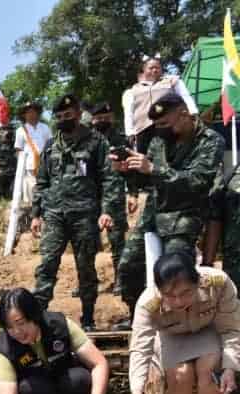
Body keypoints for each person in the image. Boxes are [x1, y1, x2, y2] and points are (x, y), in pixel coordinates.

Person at [116, 92, 225, 318]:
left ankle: (184, 319)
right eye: (156, 125)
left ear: (184, 114)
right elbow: (147, 179)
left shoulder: (211, 140)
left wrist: (154, 170)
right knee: (128, 268)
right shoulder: (158, 141)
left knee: (177, 274)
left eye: (165, 123)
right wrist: (128, 171)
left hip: (185, 218)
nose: (160, 129)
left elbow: (198, 181)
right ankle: (141, 317)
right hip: (154, 217)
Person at [128, 254, 240, 394]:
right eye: (169, 295)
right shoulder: (148, 303)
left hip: (208, 330)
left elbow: (232, 329)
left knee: (210, 371)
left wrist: (230, 368)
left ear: (198, 282)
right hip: (172, 335)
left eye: (186, 293)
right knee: (180, 374)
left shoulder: (219, 283)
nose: (178, 301)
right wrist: (136, 390)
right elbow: (140, 348)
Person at [30, 94, 117, 331]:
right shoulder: (51, 146)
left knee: (86, 268)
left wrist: (106, 210)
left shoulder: (96, 142)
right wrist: (36, 214)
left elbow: (109, 178)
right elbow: (42, 180)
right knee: (47, 265)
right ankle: (38, 318)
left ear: (78, 114)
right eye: (59, 117)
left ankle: (88, 319)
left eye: (68, 115)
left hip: (85, 215)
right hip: (55, 215)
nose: (63, 120)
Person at [88, 102, 131, 296]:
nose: (102, 122)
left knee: (117, 241)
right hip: (89, 198)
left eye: (106, 118)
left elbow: (130, 168)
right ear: (92, 120)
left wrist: (134, 192)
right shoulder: (85, 140)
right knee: (86, 242)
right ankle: (87, 282)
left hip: (114, 196)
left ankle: (121, 280)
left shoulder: (121, 139)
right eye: (98, 119)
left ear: (112, 118)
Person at [122, 54, 198, 155]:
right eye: (151, 68)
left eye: (157, 67)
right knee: (145, 159)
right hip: (143, 130)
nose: (154, 70)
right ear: (144, 70)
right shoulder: (133, 90)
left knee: (173, 156)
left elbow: (186, 96)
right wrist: (129, 132)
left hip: (169, 126)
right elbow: (129, 112)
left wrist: (193, 113)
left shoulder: (173, 82)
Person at [13, 101, 52, 230]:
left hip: (45, 164)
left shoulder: (45, 128)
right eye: (28, 112)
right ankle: (35, 219)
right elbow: (18, 149)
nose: (31, 114)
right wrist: (21, 167)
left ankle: (47, 218)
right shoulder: (20, 130)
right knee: (32, 193)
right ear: (24, 115)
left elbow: (51, 145)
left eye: (33, 111)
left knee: (46, 191)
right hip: (30, 166)